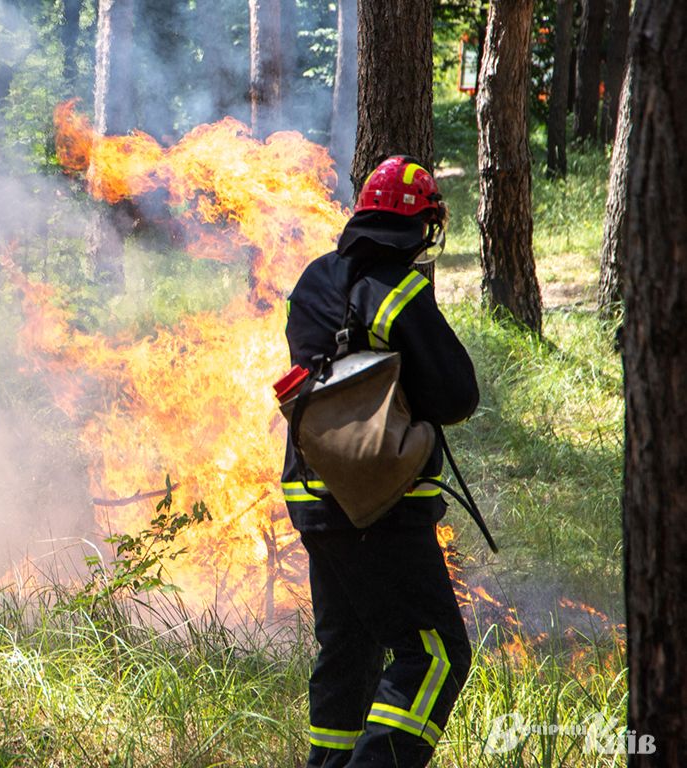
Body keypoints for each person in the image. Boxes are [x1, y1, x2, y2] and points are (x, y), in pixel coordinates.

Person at [280, 157, 479, 767]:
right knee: (435, 653)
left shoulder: (314, 280)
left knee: (347, 647)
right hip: (382, 507)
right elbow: (457, 396)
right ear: (422, 228)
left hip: (312, 500)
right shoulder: (404, 291)